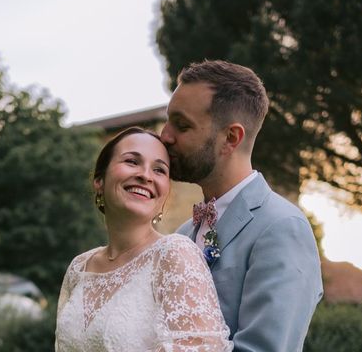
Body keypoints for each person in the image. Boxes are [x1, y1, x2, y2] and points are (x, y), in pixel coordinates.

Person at [161, 60, 323, 352]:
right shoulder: (183, 234)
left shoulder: (282, 227)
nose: (165, 136)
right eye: (168, 121)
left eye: (181, 125)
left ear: (231, 138)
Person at [55, 127, 233, 351]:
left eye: (159, 170)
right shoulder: (79, 267)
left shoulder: (174, 253)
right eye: (131, 161)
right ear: (99, 180)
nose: (145, 175)